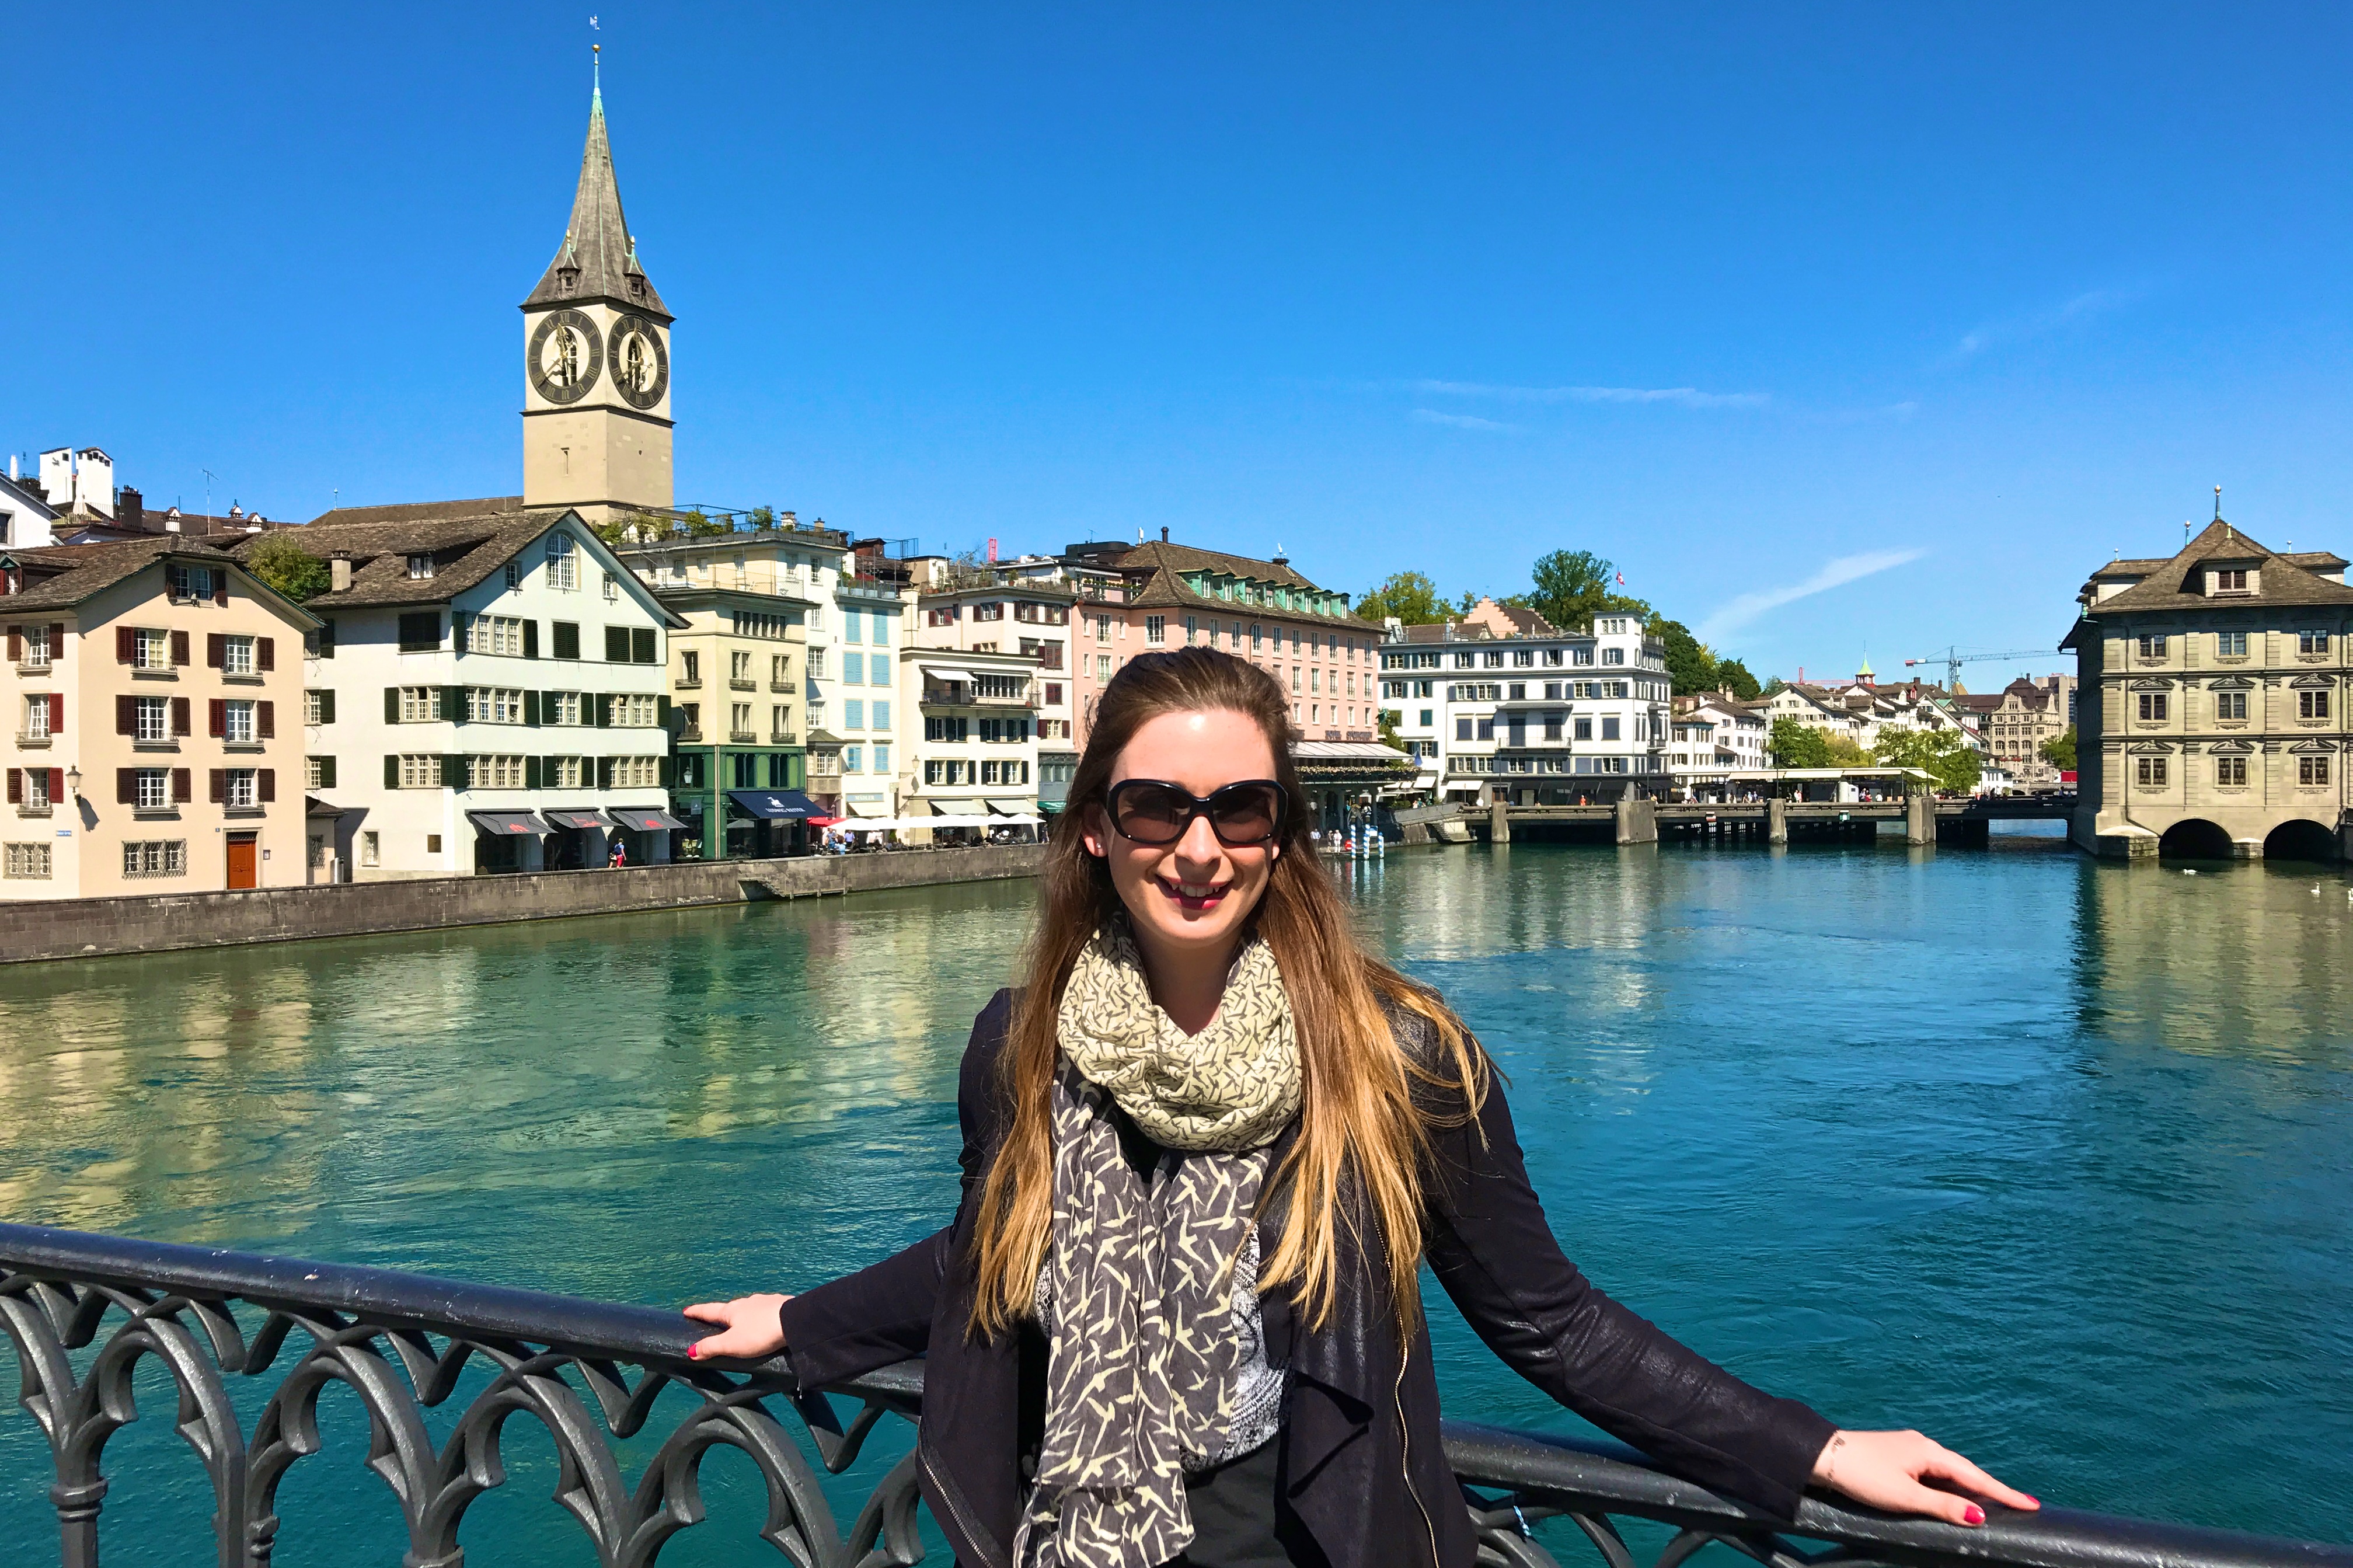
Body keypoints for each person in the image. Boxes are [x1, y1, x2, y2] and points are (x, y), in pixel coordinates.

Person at [685, 648, 2035, 1568]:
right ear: (1095, 825)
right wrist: (805, 1319)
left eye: (1240, 808)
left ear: (1282, 832)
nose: (1199, 846)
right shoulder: (1019, 1044)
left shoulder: (1398, 1054)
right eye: (1155, 806)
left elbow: (1550, 1318)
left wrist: (1812, 1447)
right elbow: (990, 1246)